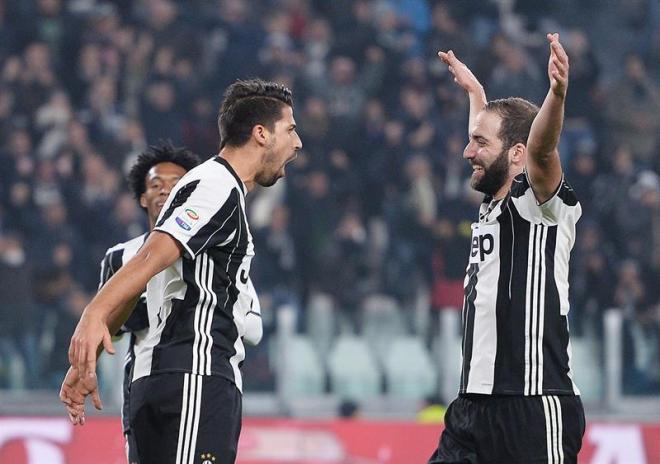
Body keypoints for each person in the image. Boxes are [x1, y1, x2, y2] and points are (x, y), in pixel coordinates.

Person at [61, 79, 301, 464]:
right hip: (195, 377)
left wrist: (88, 352)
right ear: (261, 134)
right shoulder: (217, 184)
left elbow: (148, 272)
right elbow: (151, 254)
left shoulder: (219, 189)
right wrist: (92, 317)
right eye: (290, 129)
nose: (297, 142)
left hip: (173, 380)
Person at [428, 34, 585, 463]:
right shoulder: (491, 204)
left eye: (479, 142)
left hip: (532, 405)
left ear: (517, 154)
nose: (467, 151)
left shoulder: (539, 204)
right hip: (472, 405)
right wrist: (477, 96)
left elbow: (541, 146)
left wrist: (556, 95)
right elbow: (497, 142)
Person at [98, 142, 200, 462]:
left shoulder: (213, 254)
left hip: (198, 382)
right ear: (143, 198)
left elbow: (249, 324)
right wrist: (143, 310)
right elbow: (108, 331)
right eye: (156, 185)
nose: (165, 191)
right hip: (142, 388)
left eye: (176, 184)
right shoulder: (119, 257)